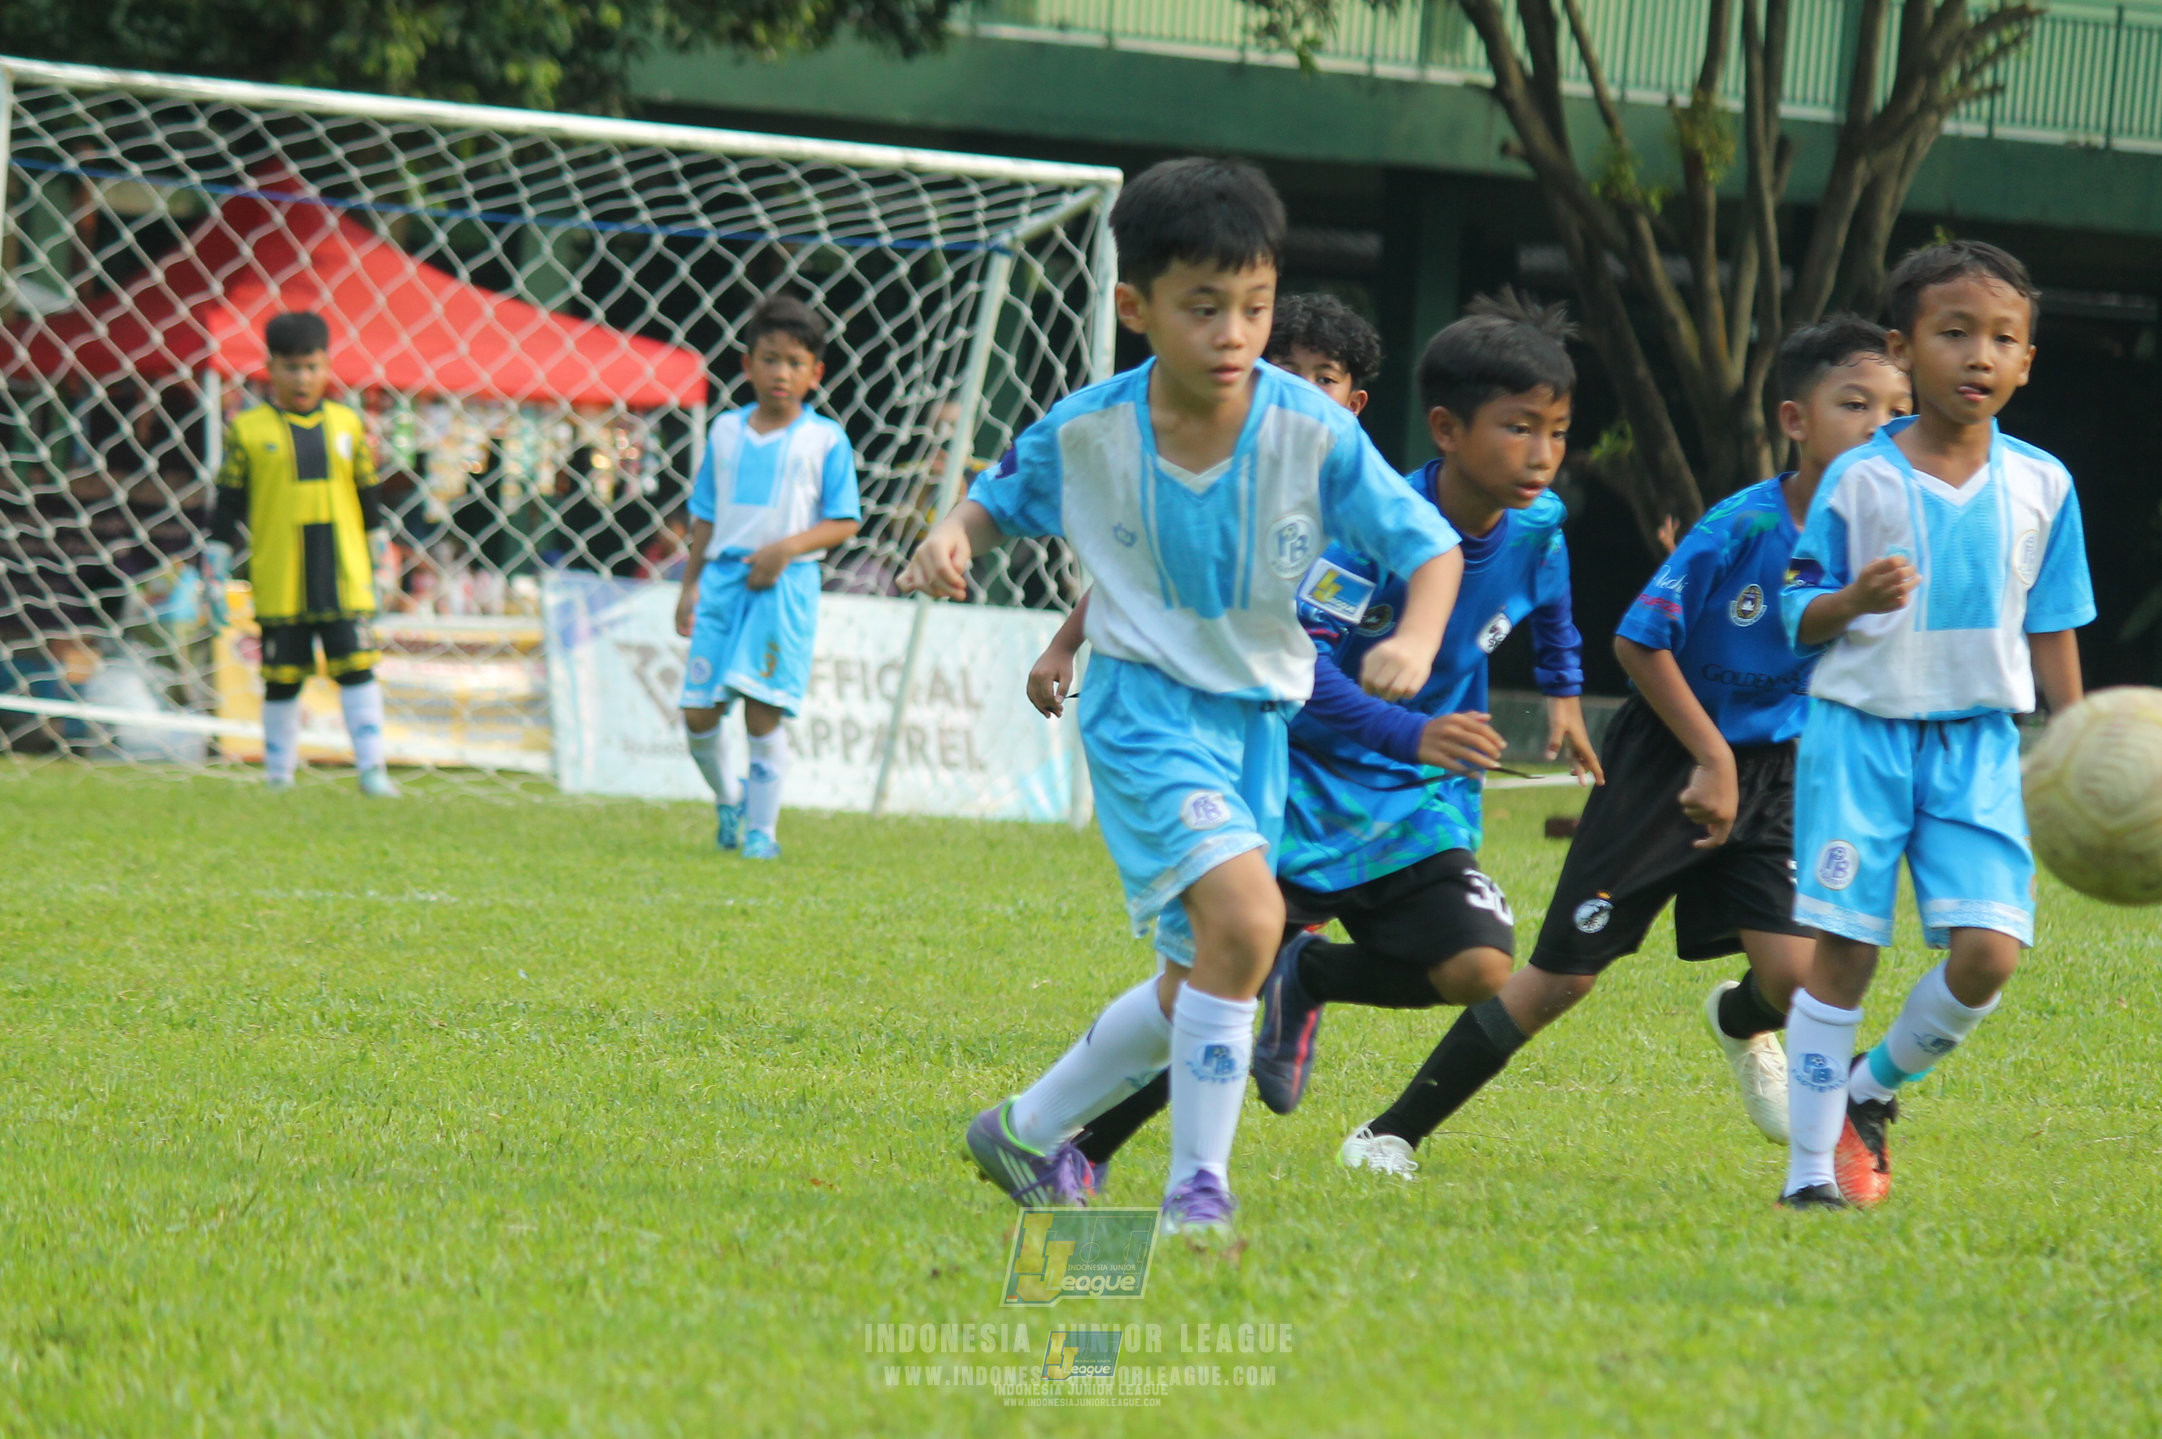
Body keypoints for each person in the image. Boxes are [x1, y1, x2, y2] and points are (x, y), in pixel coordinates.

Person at [899, 157, 1464, 1240]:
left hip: (1256, 725)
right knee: (1251, 923)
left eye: (1251, 305)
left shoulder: (1310, 429)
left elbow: (1427, 546)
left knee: (1200, 971)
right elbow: (991, 500)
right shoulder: (1090, 428)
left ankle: (1022, 1127)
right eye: (1201, 307)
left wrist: (1418, 635)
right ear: (1134, 306)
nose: (1231, 332)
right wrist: (947, 537)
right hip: (1144, 714)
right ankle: (1195, 1191)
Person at [1323, 315, 1912, 1180]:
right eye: (1855, 403)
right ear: (1795, 419)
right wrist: (1709, 756)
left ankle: (1742, 1021)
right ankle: (1392, 1131)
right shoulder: (1741, 527)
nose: (1878, 425)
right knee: (1564, 977)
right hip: (1667, 760)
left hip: (1781, 771)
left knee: (1797, 980)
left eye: (1896, 409)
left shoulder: (1888, 536)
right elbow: (1640, 643)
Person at [1070, 291, 1601, 1186]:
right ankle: (1082, 1148)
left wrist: (1564, 695)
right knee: (1214, 986)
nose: (1543, 455)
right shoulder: (1363, 534)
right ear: (1446, 429)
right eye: (1519, 429)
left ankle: (1308, 974)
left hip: (1414, 803)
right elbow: (1305, 674)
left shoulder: (1539, 523)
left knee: (1477, 963)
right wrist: (1411, 729)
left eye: (1556, 430)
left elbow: (1549, 588)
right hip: (1302, 786)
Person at [1778, 242, 2092, 1210]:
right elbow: (1795, 614)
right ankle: (1804, 1172)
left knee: (1988, 950)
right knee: (1844, 950)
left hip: (1978, 745)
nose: (1977, 355)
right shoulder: (1857, 480)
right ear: (1900, 347)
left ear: (2026, 359)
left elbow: (2049, 623)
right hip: (1857, 735)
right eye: (1952, 332)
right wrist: (1849, 598)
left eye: (2001, 338)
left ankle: (1868, 1090)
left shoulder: (2043, 483)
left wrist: (2079, 743)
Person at [1027, 291, 1385, 715]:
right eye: (1287, 372)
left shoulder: (1366, 506)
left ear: (1354, 404)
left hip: (1300, 721)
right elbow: (1135, 566)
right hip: (1183, 703)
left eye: (1324, 379)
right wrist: (1063, 646)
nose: (1301, 391)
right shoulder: (1212, 476)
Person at [675, 295, 862, 860]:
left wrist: (785, 549)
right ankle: (730, 799)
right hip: (724, 583)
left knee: (763, 708)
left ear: (815, 374)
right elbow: (705, 514)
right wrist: (689, 583)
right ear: (747, 363)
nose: (781, 373)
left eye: (795, 363)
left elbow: (845, 520)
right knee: (698, 713)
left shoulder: (825, 439)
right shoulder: (726, 432)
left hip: (785, 588)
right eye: (771, 359)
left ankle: (763, 833)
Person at [203, 311, 398, 796]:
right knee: (282, 678)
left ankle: (373, 771)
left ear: (327, 365)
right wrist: (215, 562)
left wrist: (380, 550)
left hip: (344, 574)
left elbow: (368, 496)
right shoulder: (247, 430)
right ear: (271, 367)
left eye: (311, 366)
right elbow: (228, 503)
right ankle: (277, 778)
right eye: (291, 367)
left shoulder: (348, 424)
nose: (303, 378)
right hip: (280, 575)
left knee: (356, 668)